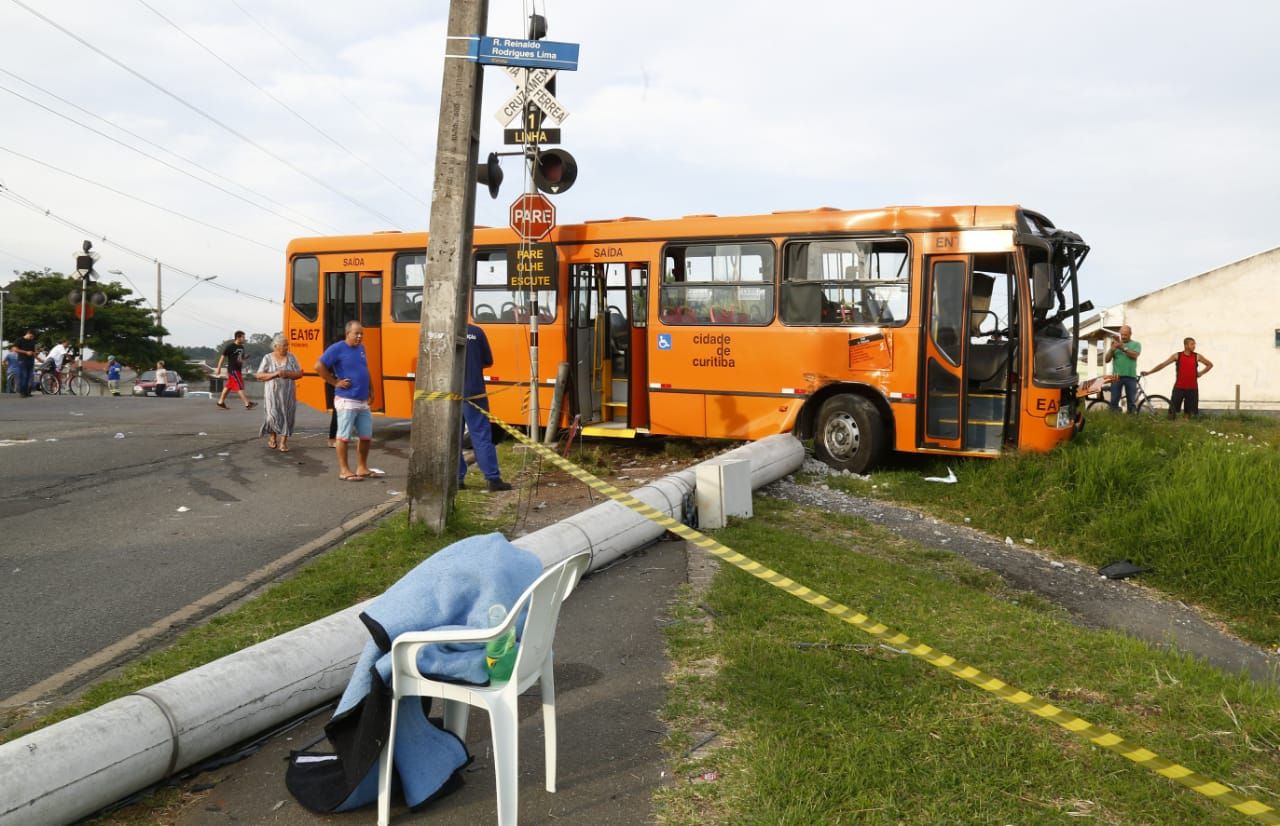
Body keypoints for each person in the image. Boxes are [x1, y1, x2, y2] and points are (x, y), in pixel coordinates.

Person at [316, 321, 376, 481]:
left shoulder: (361, 349)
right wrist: (335, 382)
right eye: (356, 333)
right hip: (346, 399)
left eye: (361, 333)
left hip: (362, 400)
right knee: (343, 436)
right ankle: (344, 470)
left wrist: (371, 389)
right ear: (347, 333)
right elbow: (318, 366)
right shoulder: (337, 348)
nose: (360, 336)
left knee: (366, 436)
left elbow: (365, 370)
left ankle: (362, 468)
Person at [458, 323, 512, 492]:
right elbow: (488, 361)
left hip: (447, 395)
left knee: (451, 438)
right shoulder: (475, 331)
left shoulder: (440, 331)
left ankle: (456, 479)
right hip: (474, 392)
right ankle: (493, 479)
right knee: (481, 436)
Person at [1143, 337, 1213, 419]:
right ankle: (1170, 426)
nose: (1194, 346)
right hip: (1179, 387)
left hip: (1192, 388)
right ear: (1186, 345)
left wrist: (1201, 373)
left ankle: (1185, 426)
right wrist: (1149, 372)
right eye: (1192, 344)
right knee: (1172, 412)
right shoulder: (1177, 356)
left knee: (1189, 413)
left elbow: (1210, 364)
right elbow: (1163, 365)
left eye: (1194, 344)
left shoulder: (1197, 356)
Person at [257, 333, 303, 451]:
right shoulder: (267, 358)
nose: (287, 347)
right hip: (271, 394)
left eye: (287, 345)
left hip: (287, 394)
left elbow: (299, 374)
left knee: (287, 416)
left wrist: (287, 373)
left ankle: (283, 442)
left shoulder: (292, 357)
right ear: (276, 346)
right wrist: (274, 374)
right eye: (284, 345)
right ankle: (272, 437)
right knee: (272, 416)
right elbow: (259, 375)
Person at [215, 330, 256, 410]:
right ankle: (247, 403)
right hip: (233, 370)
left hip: (238, 370)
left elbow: (240, 359)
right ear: (238, 337)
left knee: (228, 386)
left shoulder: (241, 347)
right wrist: (218, 368)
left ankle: (220, 402)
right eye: (243, 337)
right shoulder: (230, 347)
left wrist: (245, 357)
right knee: (239, 386)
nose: (244, 339)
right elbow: (222, 357)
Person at [1104, 325, 1142, 412]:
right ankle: (1115, 420)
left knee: (1131, 401)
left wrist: (1122, 348)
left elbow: (1134, 355)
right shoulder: (1115, 344)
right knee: (1114, 401)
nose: (1123, 337)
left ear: (1130, 334)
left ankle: (1131, 420)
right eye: (1122, 335)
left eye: (1125, 335)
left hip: (1131, 376)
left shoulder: (1136, 344)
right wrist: (1111, 350)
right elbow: (1107, 360)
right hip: (1116, 377)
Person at [11, 331, 36, 397]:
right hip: (22, 360)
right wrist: (26, 352)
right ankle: (22, 392)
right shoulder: (19, 340)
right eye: (31, 336)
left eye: (32, 337)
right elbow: (14, 349)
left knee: (29, 377)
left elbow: (33, 351)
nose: (32, 338)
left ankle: (27, 392)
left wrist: (34, 353)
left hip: (31, 360)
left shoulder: (32, 341)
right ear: (28, 334)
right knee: (23, 376)